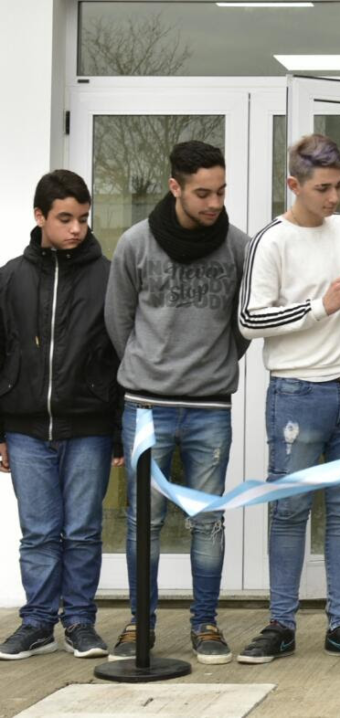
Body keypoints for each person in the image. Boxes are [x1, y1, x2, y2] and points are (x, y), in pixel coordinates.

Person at [236, 133, 340, 664]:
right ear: (293, 185)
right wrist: (319, 307)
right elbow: (249, 320)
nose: (334, 198)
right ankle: (280, 624)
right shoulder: (271, 241)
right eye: (323, 188)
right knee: (290, 511)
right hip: (298, 393)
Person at [104, 141, 251, 664]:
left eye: (221, 191)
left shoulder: (238, 246)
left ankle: (205, 624)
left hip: (210, 407)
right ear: (175, 188)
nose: (214, 202)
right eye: (202, 193)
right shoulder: (135, 244)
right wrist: (149, 369)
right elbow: (119, 322)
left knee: (207, 520)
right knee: (144, 520)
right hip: (145, 405)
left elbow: (243, 327)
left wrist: (211, 368)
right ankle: (138, 624)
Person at [0, 170, 122, 661]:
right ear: (40, 217)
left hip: (88, 427)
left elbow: (120, 357)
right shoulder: (10, 277)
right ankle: (36, 622)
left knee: (83, 531)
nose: (76, 228)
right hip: (25, 428)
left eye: (84, 219)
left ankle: (80, 623)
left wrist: (116, 432)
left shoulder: (109, 277)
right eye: (65, 219)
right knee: (41, 532)